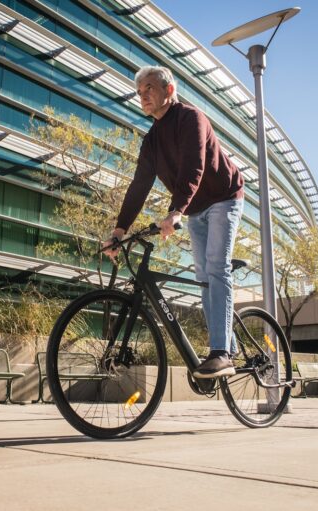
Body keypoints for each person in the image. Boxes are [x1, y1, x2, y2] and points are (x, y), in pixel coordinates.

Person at [102, 66, 244, 379]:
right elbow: (139, 185)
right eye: (140, 92)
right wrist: (118, 231)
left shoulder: (190, 118)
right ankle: (228, 347)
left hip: (224, 198)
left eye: (150, 88)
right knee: (203, 276)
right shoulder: (151, 141)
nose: (144, 96)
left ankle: (221, 353)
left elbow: (194, 166)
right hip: (194, 209)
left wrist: (175, 210)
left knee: (216, 267)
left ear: (169, 90)